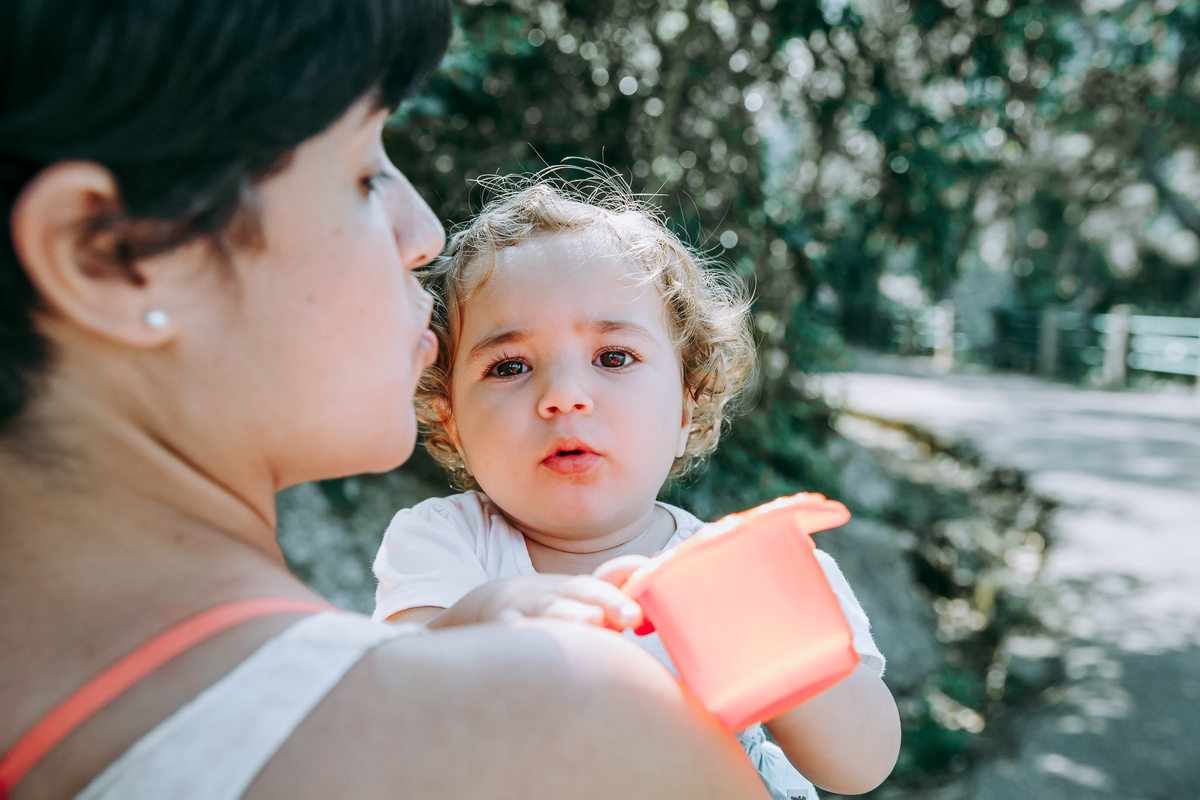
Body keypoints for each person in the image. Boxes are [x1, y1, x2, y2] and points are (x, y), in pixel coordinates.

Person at [0, 3, 778, 798]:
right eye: (367, 173)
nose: (425, 234)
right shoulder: (570, 722)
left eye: (614, 357)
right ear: (111, 256)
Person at [372, 173, 902, 798]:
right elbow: (397, 709)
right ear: (450, 420)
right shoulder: (446, 545)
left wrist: (779, 641)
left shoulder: (752, 566)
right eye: (510, 366)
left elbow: (862, 763)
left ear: (687, 405)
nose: (564, 396)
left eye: (613, 357)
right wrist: (486, 626)